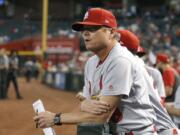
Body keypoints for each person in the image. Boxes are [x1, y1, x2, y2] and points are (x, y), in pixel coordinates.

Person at [34, 8, 157, 135]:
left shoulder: (121, 60)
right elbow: (88, 108)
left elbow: (100, 117)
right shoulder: (91, 62)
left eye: (93, 28)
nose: (85, 33)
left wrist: (56, 118)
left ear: (111, 32)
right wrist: (84, 105)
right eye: (83, 29)